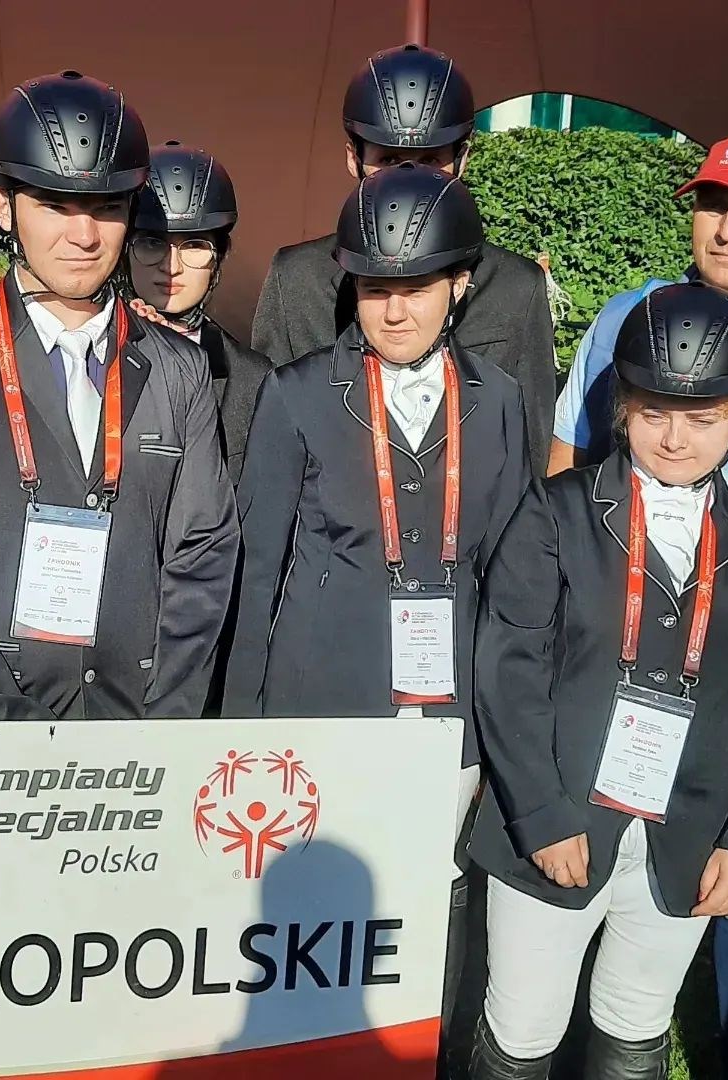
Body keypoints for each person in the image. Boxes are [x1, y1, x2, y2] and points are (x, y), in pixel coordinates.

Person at [224, 162, 529, 1065]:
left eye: (418, 288)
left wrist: (507, 728)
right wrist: (238, 732)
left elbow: (513, 577)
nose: (395, 312)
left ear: (460, 284)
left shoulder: (500, 401)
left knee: (431, 900)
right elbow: (257, 568)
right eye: (375, 289)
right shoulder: (297, 393)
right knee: (314, 912)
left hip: (451, 711)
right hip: (323, 703)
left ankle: (423, 1053)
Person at [469, 282, 728, 1079]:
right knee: (523, 1028)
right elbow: (510, 668)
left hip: (690, 832)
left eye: (703, 420)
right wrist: (539, 812)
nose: (675, 438)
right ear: (623, 409)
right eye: (654, 413)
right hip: (558, 821)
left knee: (635, 1025)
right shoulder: (553, 513)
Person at [0, 72, 239, 722]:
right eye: (55, 206)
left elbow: (203, 551)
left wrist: (164, 724)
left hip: (135, 732)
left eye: (107, 207)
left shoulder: (178, 367)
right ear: (4, 206)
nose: (84, 235)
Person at [548, 130, 728, 1075]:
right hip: (625, 644)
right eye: (713, 203)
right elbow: (568, 457)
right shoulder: (629, 314)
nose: (725, 227)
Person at [250, 43, 557, 473]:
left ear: (463, 159)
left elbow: (530, 454)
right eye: (389, 160)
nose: (409, 180)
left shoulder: (517, 287)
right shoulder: (296, 279)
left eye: (431, 160)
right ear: (353, 158)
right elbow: (270, 442)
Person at [124, 140, 270, 484]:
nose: (171, 267)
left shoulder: (252, 378)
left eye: (193, 246)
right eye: (152, 243)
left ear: (220, 255)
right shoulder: (87, 349)